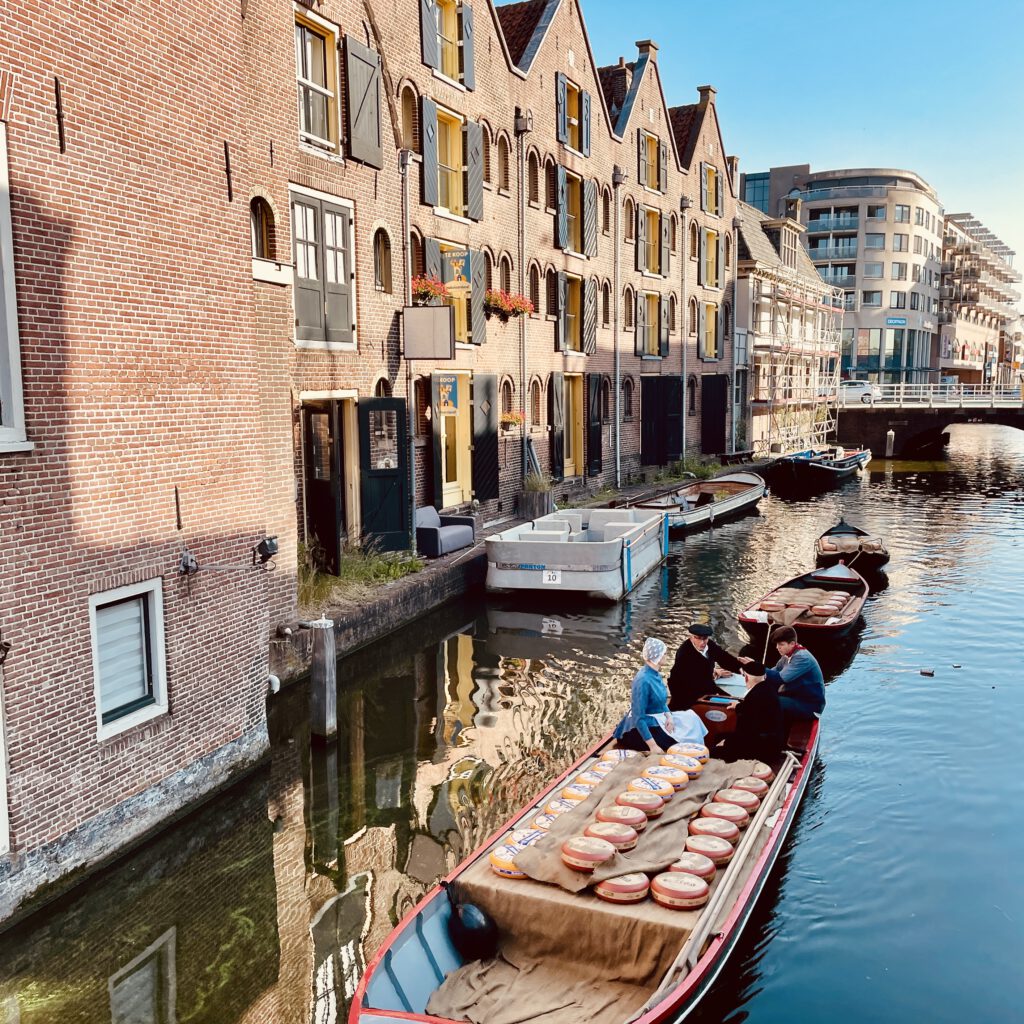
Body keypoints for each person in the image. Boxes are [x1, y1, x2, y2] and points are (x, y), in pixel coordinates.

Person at [713, 660, 786, 763]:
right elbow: (755, 709)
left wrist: (727, 742)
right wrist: (739, 706)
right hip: (771, 742)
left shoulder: (753, 698)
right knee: (720, 737)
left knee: (714, 750)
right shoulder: (768, 689)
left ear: (746, 678)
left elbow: (747, 731)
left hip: (761, 750)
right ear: (764, 676)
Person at [613, 637, 677, 753]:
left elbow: (661, 700)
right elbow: (638, 717)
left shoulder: (655, 674)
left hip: (656, 719)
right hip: (638, 730)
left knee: (691, 720)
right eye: (665, 654)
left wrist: (669, 717)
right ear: (657, 657)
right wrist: (653, 746)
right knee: (675, 744)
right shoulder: (643, 680)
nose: (667, 656)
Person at [666, 623, 745, 711]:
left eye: (705, 639)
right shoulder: (684, 655)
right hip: (688, 694)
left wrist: (741, 668)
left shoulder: (710, 645)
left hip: (705, 683)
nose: (702, 642)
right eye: (698, 638)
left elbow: (723, 657)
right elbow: (686, 681)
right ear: (691, 637)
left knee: (733, 700)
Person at [761, 626, 825, 720]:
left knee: (768, 701)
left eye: (781, 644)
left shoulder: (802, 658)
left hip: (810, 705)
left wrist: (757, 668)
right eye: (777, 644)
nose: (777, 647)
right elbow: (775, 670)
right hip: (795, 696)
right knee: (763, 694)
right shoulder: (788, 654)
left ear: (792, 643)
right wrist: (753, 672)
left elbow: (780, 678)